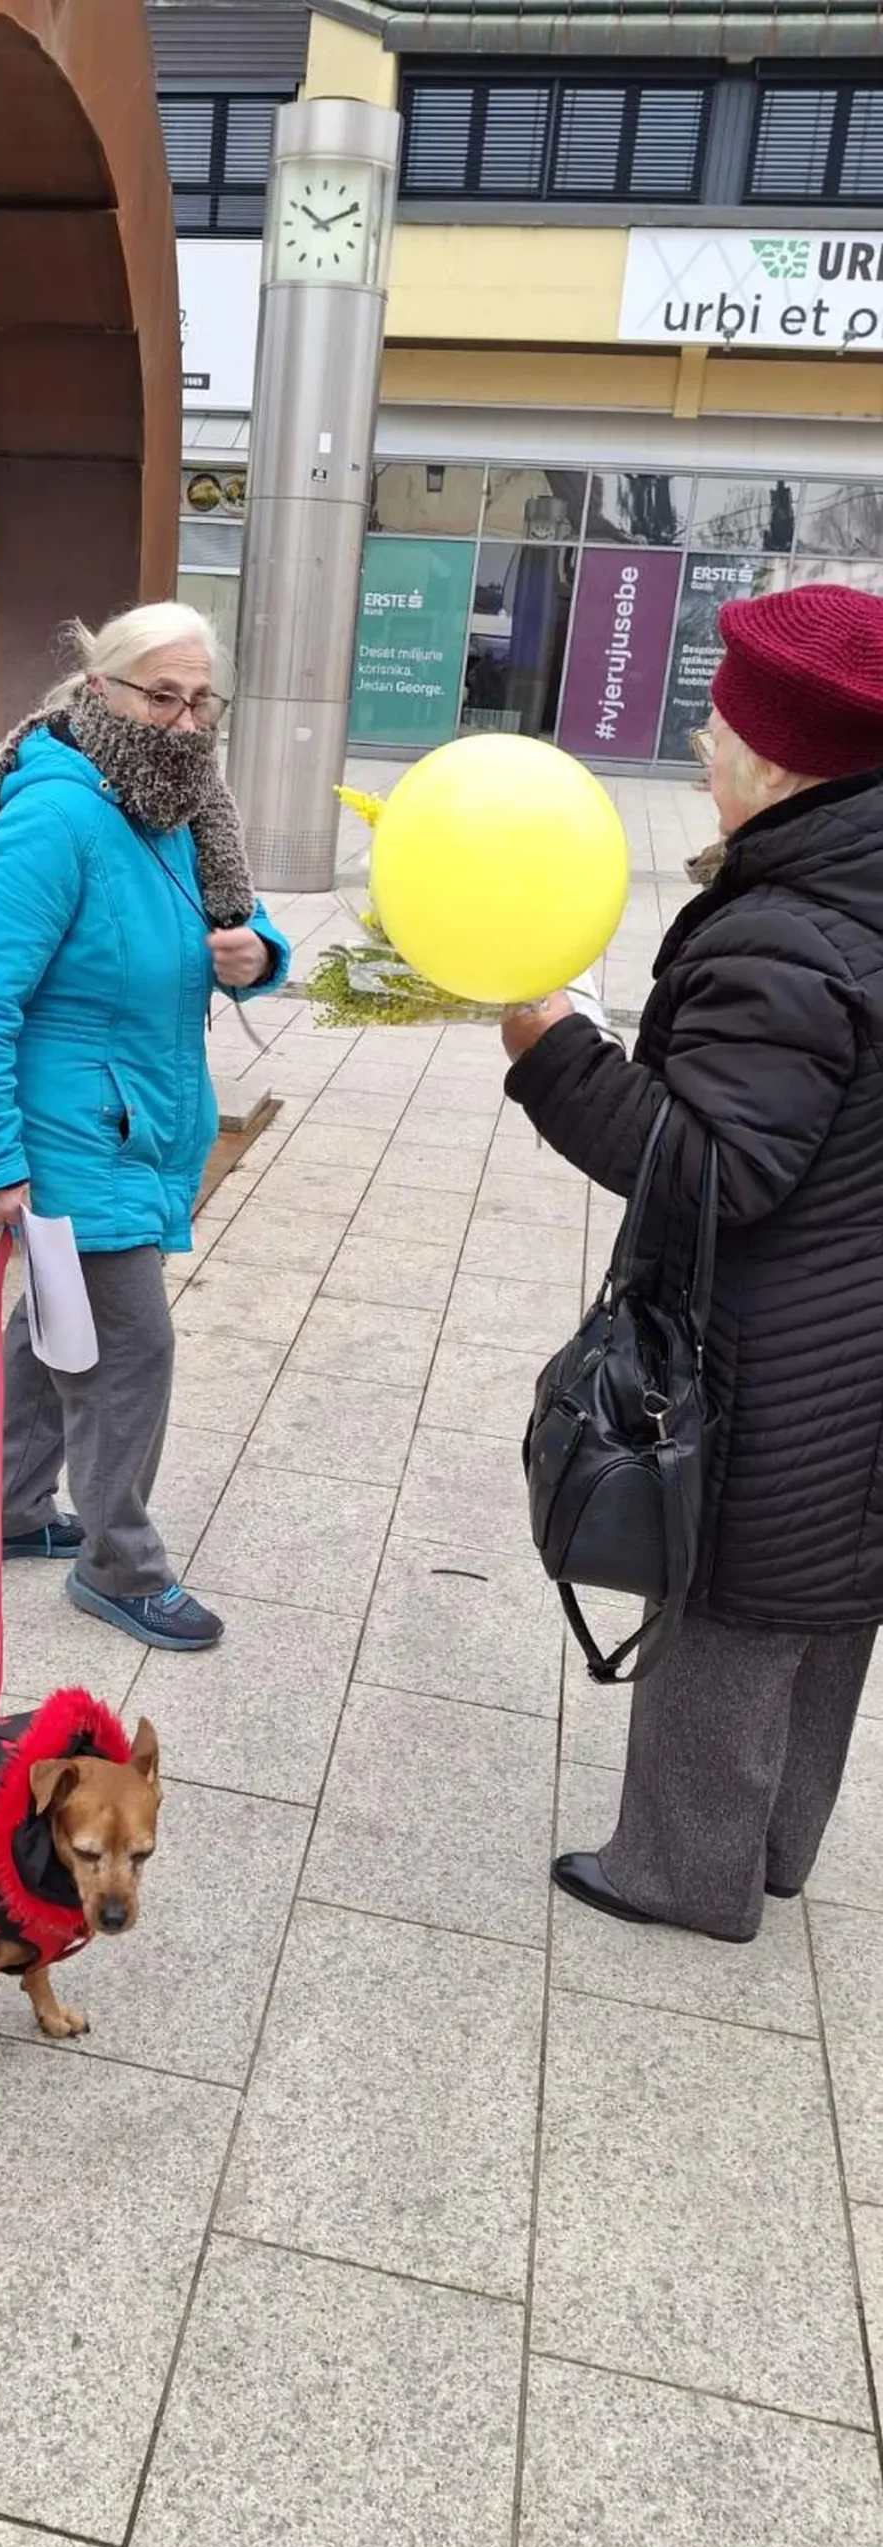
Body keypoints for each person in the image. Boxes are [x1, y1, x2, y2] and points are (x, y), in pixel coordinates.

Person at [503, 582, 883, 1943]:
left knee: (731, 1594)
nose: (702, 747)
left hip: (788, 1350)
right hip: (860, 1325)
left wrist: (554, 1052)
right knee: (830, 1600)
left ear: (781, 765)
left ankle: (682, 1871)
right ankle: (773, 1846)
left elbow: (720, 1166)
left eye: (720, 730)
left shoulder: (789, 928)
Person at [0, 602, 290, 1652]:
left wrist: (258, 954)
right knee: (131, 1349)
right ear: (102, 689)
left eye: (201, 701)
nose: (184, 722)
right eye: (161, 696)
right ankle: (120, 1565)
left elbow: (226, 922)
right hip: (74, 1139)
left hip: (135, 1122)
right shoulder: (57, 816)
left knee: (56, 1330)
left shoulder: (175, 806)